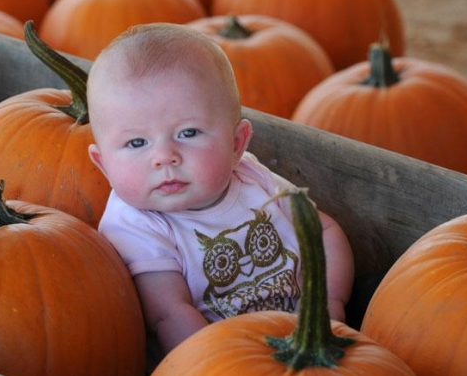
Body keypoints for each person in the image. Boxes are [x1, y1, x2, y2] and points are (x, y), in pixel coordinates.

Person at [87, 23, 354, 358]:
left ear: (237, 144)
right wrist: (227, 368)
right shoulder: (136, 226)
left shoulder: (254, 179)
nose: (164, 156)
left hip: (307, 343)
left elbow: (324, 231)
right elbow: (169, 314)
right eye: (136, 142)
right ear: (103, 164)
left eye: (188, 133)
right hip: (219, 368)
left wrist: (329, 303)